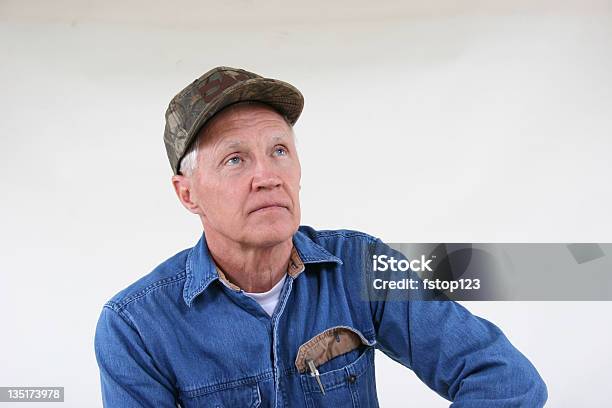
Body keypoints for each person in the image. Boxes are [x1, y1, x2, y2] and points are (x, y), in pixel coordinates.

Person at [94, 66, 548, 407]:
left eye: (279, 151)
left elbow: (505, 380)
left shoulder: (359, 265)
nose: (268, 177)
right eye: (235, 159)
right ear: (187, 193)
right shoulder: (136, 326)